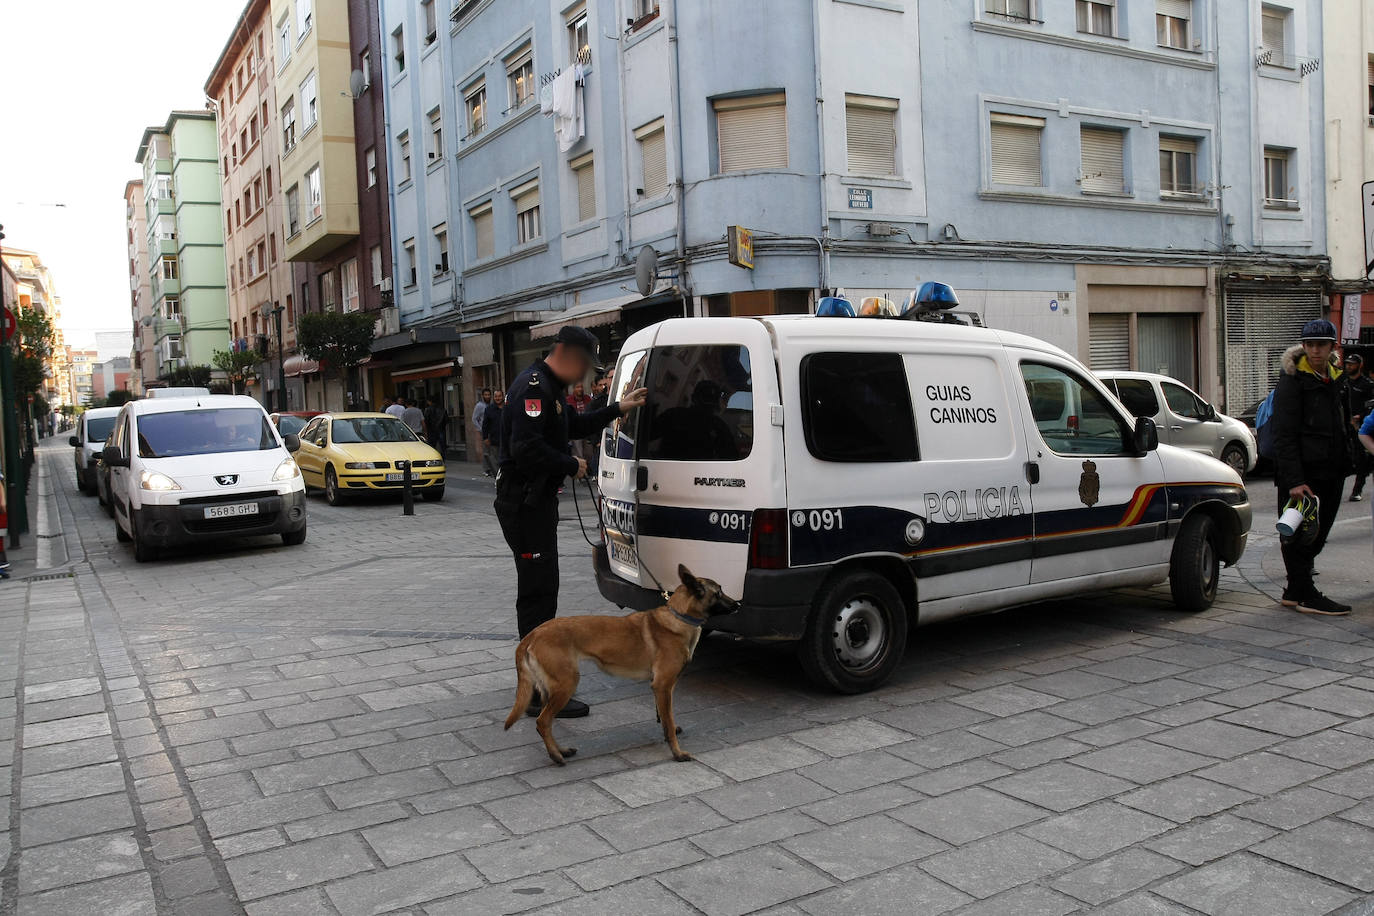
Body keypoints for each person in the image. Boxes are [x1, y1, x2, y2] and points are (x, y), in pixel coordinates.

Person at [495, 325, 647, 717]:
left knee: (544, 589)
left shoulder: (550, 388)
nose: (585, 374)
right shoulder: (533, 386)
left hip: (535, 503)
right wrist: (571, 464)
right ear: (564, 352)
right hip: (525, 504)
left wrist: (617, 409)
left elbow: (570, 427)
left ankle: (541, 682)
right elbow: (525, 448)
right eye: (583, 364)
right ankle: (537, 692)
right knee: (536, 595)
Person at [1272, 318, 1353, 616]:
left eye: (1321, 344)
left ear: (1332, 346)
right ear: (1303, 346)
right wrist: (1294, 479)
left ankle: (1294, 590)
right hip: (1303, 474)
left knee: (1320, 529)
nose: (1315, 350)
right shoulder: (1293, 381)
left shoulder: (1335, 378)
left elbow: (1341, 422)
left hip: (1331, 469)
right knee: (1299, 532)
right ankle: (1304, 591)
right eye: (1310, 345)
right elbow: (1284, 434)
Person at [1346, 353, 1374, 501]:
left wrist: (1360, 416)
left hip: (1361, 427)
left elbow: (1371, 406)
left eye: (1352, 363)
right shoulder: (1344, 382)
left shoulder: (1367, 385)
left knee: (1361, 458)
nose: (1349, 366)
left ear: (1359, 365)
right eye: (1347, 363)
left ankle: (1357, 489)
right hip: (1344, 426)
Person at [567, 382, 592, 463]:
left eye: (581, 387)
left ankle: (588, 469)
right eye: (578, 387)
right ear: (574, 389)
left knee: (588, 453)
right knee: (578, 452)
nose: (580, 389)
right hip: (576, 430)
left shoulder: (588, 399)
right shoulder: (568, 400)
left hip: (587, 429)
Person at [481, 389, 505, 468]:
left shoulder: (507, 408)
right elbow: (485, 425)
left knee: (506, 461)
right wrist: (485, 438)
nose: (498, 398)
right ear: (493, 397)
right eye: (496, 396)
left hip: (507, 440)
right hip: (494, 440)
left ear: (503, 397)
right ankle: (498, 478)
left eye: (499, 396)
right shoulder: (489, 409)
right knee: (496, 461)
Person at [474, 388, 493, 476]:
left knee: (492, 450)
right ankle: (486, 469)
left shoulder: (492, 405)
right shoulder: (479, 405)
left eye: (489, 395)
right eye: (486, 395)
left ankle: (492, 468)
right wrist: (481, 429)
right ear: (482, 396)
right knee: (486, 451)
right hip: (485, 432)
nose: (487, 396)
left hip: (493, 431)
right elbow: (474, 419)